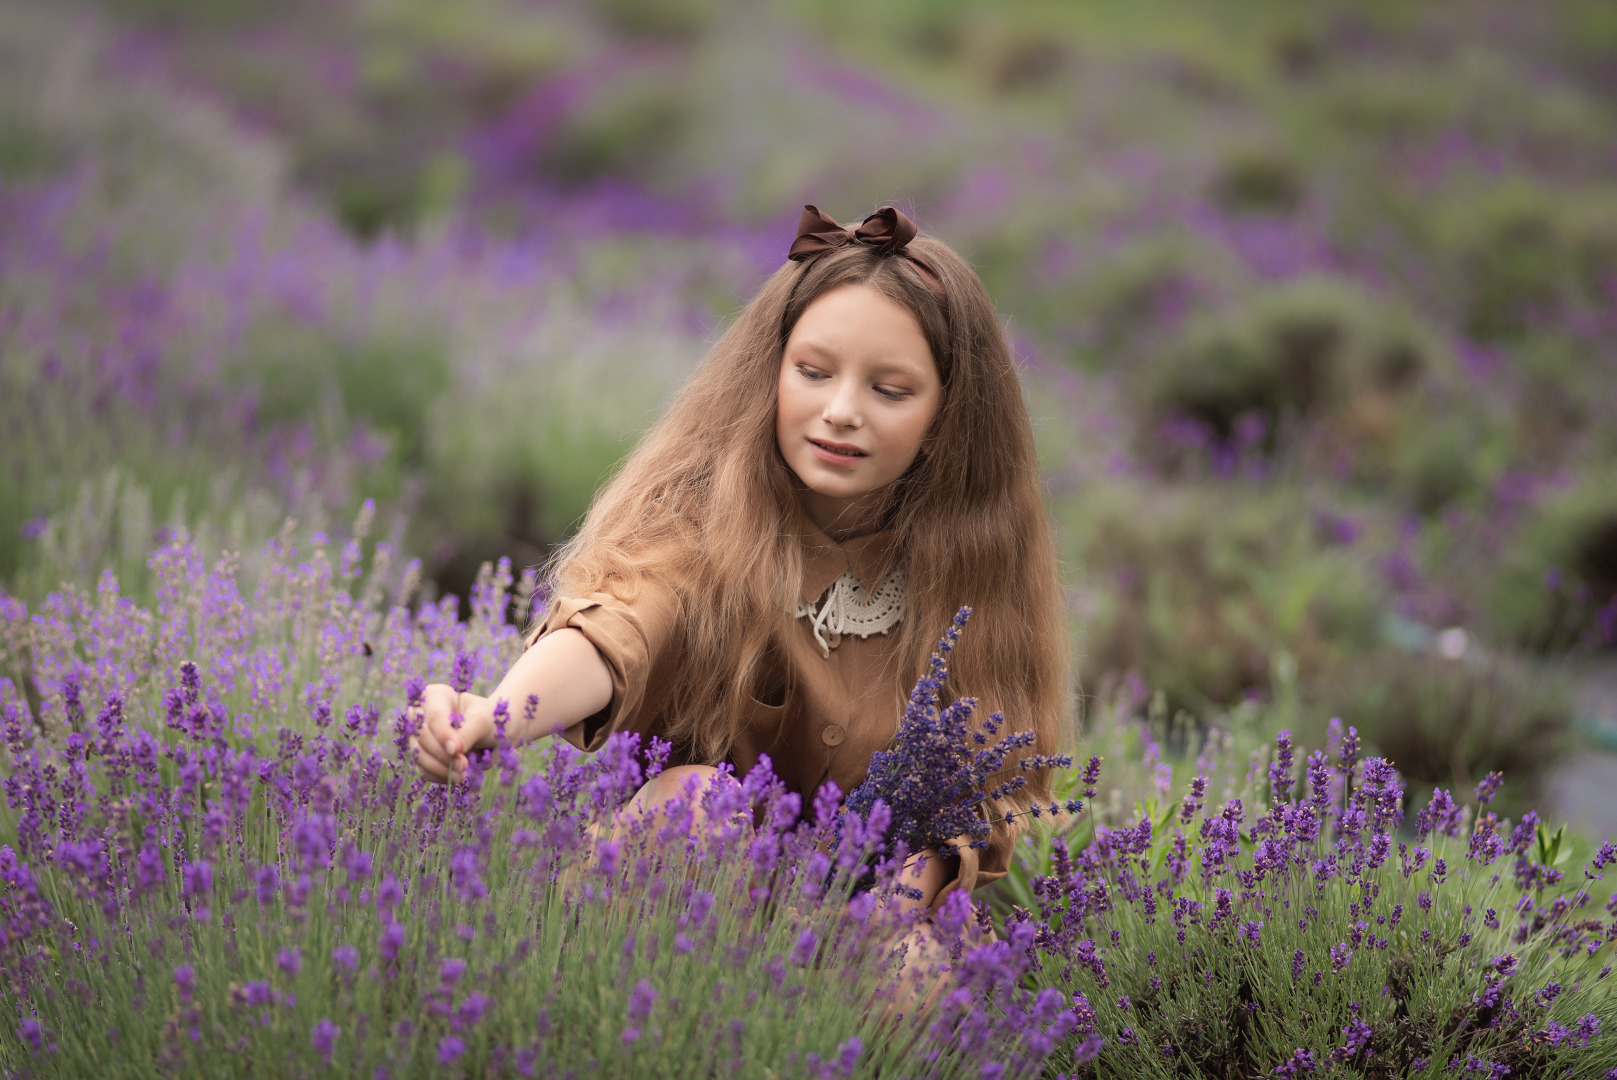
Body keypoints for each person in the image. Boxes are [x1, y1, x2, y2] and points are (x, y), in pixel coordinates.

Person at [410, 203, 1071, 912]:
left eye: (888, 390)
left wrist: (904, 899)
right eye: (813, 372)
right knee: (698, 802)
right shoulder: (704, 521)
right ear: (772, 375)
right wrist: (500, 714)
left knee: (920, 970)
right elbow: (620, 626)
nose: (841, 410)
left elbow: (976, 798)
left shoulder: (968, 580)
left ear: (947, 418)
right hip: (669, 897)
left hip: (859, 913)